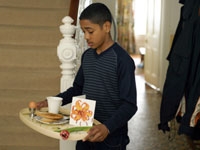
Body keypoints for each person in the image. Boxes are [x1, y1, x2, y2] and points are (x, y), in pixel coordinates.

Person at [37, 3, 137, 150]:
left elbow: (129, 105)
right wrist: (54, 101)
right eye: (83, 32)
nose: (86, 37)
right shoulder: (87, 56)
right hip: (85, 131)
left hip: (112, 138)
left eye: (90, 31)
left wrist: (107, 127)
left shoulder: (122, 60)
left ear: (107, 27)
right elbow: (77, 88)